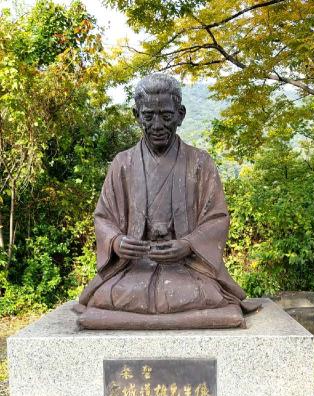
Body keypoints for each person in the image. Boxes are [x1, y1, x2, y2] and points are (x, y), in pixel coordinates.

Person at [74, 73, 260, 329]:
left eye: (166, 115)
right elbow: (104, 217)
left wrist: (187, 244)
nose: (157, 124)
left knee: (199, 294)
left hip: (187, 268)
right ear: (136, 115)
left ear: (180, 114)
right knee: (111, 295)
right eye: (148, 116)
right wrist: (117, 242)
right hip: (134, 268)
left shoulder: (200, 162)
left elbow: (217, 217)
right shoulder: (123, 163)